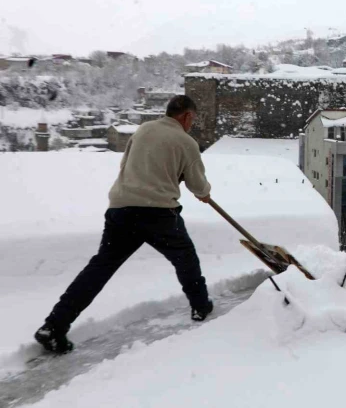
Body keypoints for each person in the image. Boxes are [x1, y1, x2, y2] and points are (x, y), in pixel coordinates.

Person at [34, 95, 214, 353]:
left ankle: (54, 325)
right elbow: (197, 184)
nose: (191, 124)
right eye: (192, 120)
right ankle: (200, 306)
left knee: (99, 268)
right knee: (185, 258)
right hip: (158, 213)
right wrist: (204, 192)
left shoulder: (143, 130)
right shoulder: (186, 142)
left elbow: (127, 165)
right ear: (186, 116)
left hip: (121, 209)